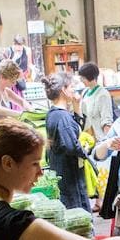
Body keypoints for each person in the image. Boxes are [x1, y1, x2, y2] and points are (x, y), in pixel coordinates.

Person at [44, 72, 90, 212]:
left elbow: (76, 131)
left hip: (61, 171)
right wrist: (85, 151)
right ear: (63, 90)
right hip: (69, 175)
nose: (74, 90)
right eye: (71, 87)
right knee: (78, 213)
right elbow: (71, 145)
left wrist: (77, 106)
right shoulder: (62, 116)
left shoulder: (54, 114)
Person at [0, 60, 35, 136]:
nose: (15, 83)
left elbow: (21, 102)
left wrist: (33, 112)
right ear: (2, 77)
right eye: (12, 81)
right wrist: (20, 114)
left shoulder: (6, 91)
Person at [76, 62, 114, 140]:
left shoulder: (103, 95)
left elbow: (106, 120)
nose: (81, 80)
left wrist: (109, 141)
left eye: (83, 78)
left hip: (100, 138)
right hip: (87, 138)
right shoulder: (85, 92)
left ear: (91, 77)